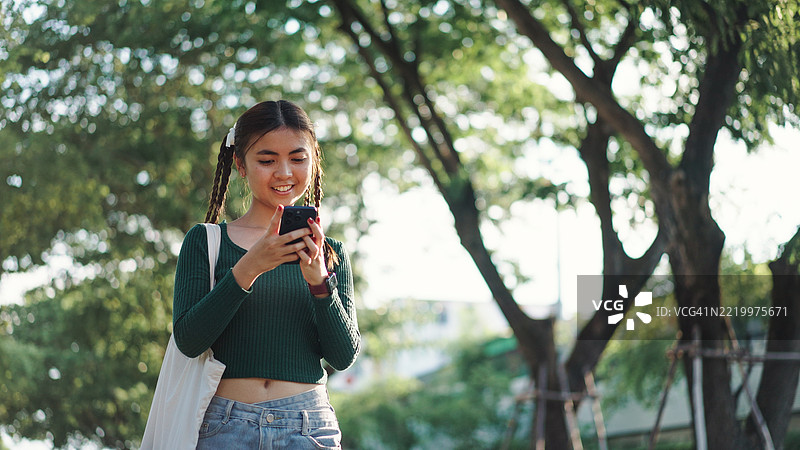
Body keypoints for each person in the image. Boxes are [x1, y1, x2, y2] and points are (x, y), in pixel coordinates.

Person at [171, 100, 360, 449]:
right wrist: (250, 267)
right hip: (225, 426)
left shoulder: (329, 251)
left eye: (298, 158)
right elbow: (189, 340)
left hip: (308, 427)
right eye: (267, 160)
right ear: (241, 165)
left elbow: (342, 356)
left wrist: (320, 282)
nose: (284, 172)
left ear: (313, 160)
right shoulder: (207, 242)